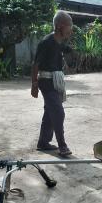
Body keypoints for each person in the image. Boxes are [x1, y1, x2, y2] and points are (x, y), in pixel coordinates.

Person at [31, 11, 73, 157]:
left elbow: (62, 51)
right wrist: (34, 85)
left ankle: (43, 142)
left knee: (50, 112)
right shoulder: (46, 41)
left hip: (55, 81)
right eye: (69, 26)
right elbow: (35, 64)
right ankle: (62, 145)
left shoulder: (59, 42)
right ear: (60, 26)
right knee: (58, 112)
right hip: (46, 82)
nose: (71, 29)